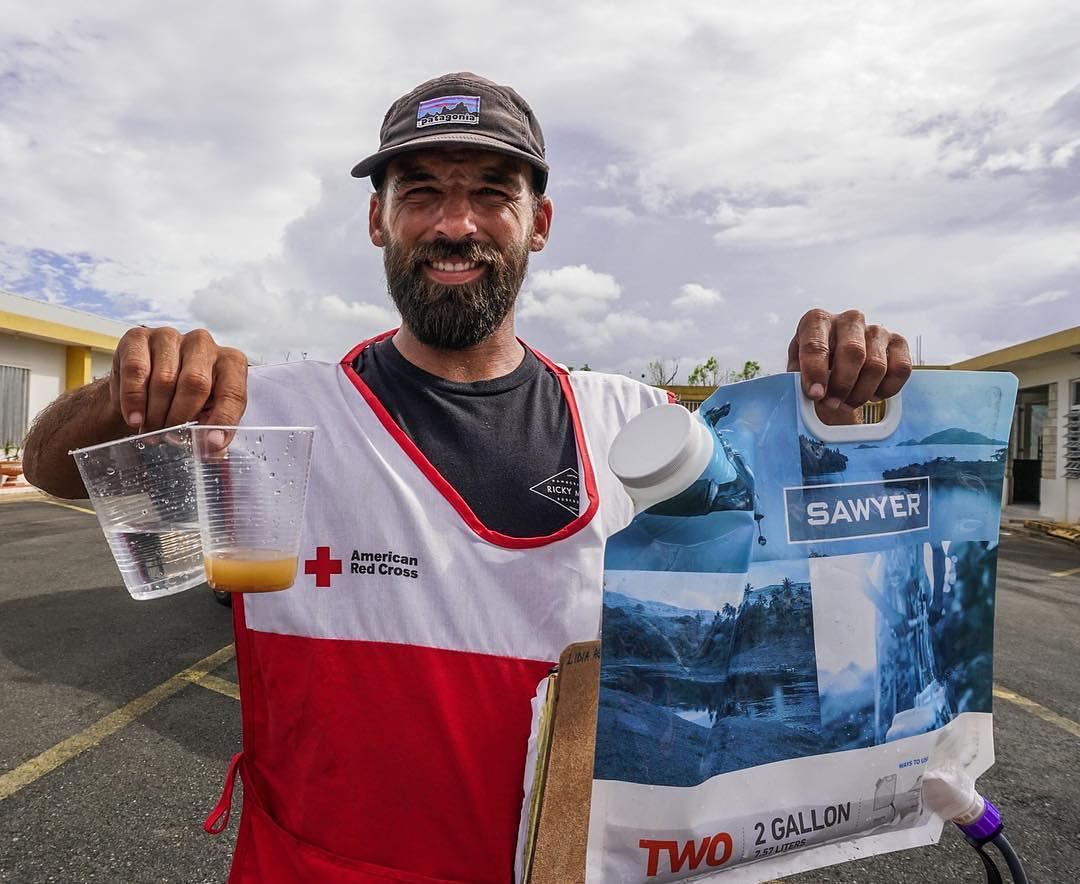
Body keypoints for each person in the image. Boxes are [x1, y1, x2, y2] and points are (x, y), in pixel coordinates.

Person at [23, 72, 913, 883]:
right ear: (378, 221)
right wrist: (128, 391)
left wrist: (837, 412)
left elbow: (791, 566)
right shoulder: (268, 412)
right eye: (421, 195)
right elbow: (51, 469)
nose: (456, 225)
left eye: (493, 194)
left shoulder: (635, 425)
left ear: (540, 223)